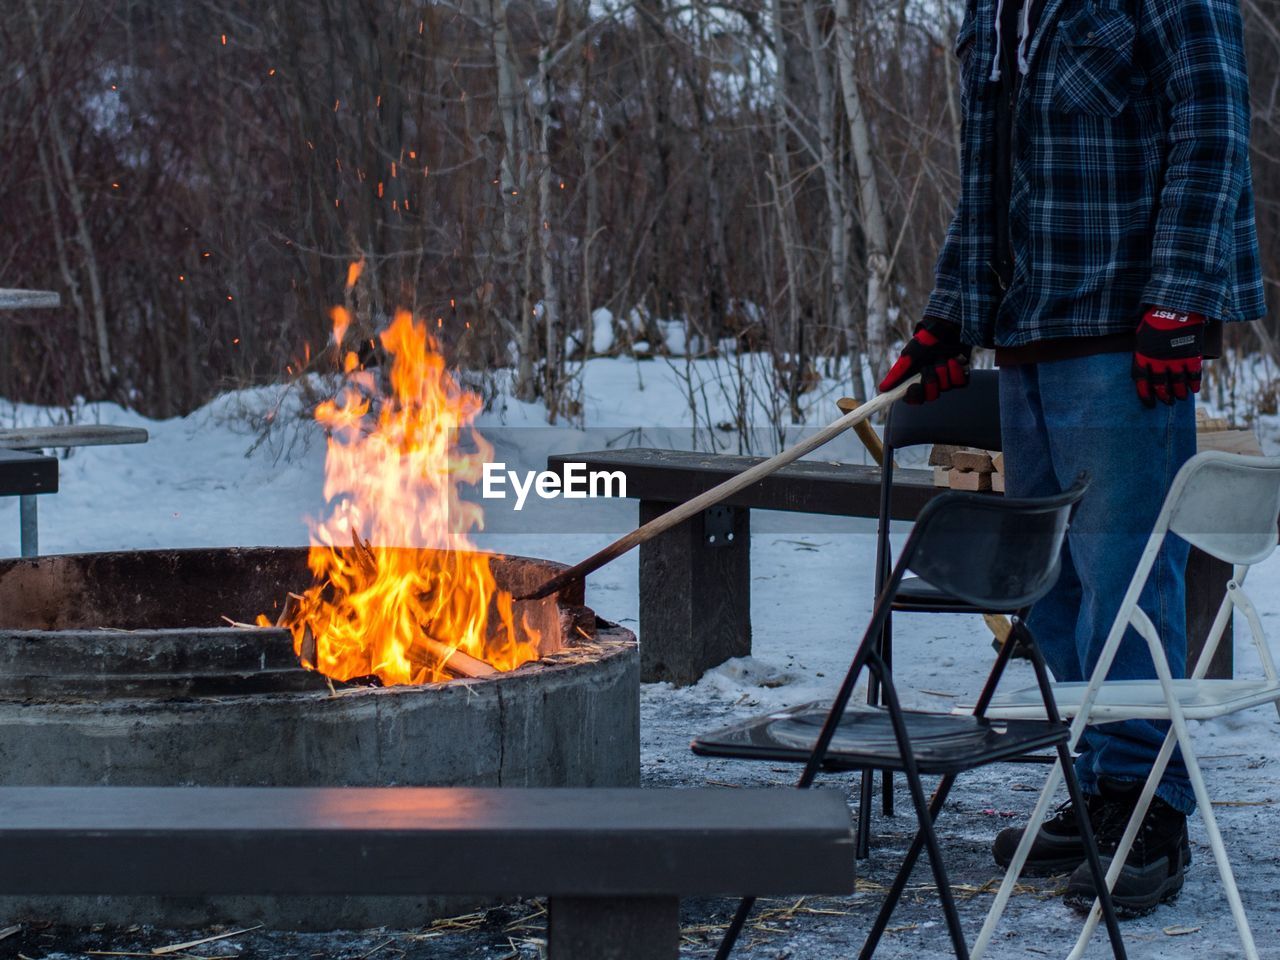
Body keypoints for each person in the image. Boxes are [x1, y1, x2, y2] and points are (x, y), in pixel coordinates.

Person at [878, 0, 1265, 918]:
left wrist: (1177, 300)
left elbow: (1212, 126)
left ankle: (1147, 806)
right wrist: (949, 317)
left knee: (1125, 571)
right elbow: (987, 179)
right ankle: (1104, 777)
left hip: (1125, 332)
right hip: (1028, 331)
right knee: (1044, 582)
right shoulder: (994, 11)